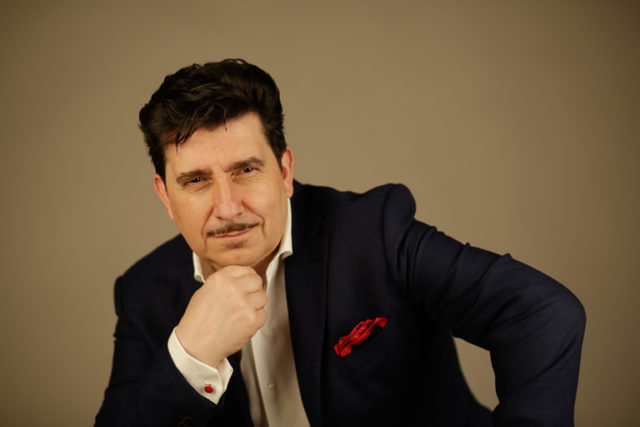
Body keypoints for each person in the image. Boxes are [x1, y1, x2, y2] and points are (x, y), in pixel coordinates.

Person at [96, 59, 585, 427]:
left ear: (284, 171)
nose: (227, 207)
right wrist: (190, 357)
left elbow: (540, 311)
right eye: (196, 180)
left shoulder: (373, 234)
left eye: (245, 170)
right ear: (165, 195)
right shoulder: (144, 291)